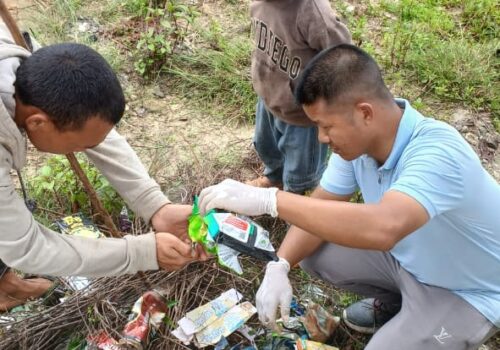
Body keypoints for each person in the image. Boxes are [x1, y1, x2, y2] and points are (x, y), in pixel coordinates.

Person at [198, 44, 500, 349]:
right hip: (410, 259)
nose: (321, 138)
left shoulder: (438, 152)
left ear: (364, 113)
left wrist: (271, 200)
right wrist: (280, 264)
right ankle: (398, 303)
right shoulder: (357, 148)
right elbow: (320, 208)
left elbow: (384, 227)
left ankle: (447, 325)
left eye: (325, 126)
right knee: (312, 250)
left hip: (468, 290)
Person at [0, 24, 206, 311]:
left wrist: (155, 206)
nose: (86, 149)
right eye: (79, 146)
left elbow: (93, 132)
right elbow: (27, 247)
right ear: (37, 122)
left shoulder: (31, 66)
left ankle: (3, 284)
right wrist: (141, 252)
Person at [247, 0, 351, 193]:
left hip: (302, 114)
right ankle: (275, 178)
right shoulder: (260, 3)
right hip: (270, 96)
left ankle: (295, 200)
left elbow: (343, 54)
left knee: (299, 171)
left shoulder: (312, 12)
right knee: (266, 146)